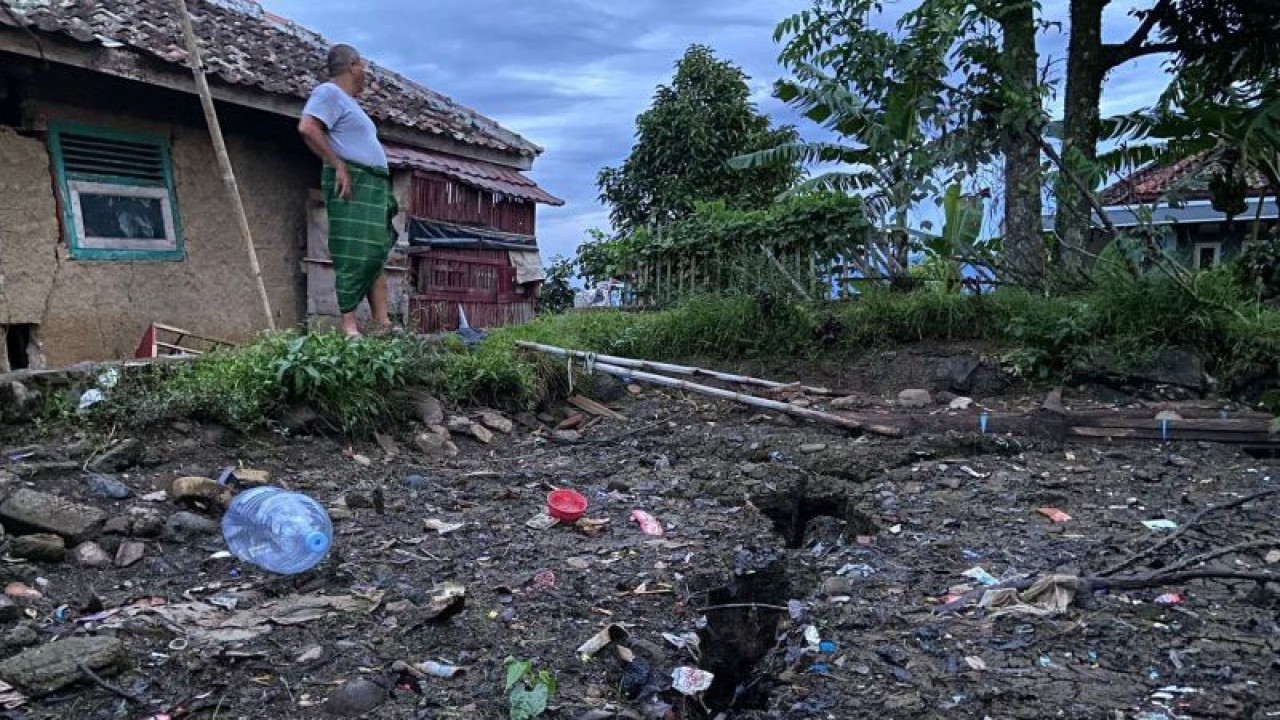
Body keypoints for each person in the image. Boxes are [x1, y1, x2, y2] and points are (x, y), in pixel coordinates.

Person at [298, 44, 399, 337]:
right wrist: (338, 166)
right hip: (353, 182)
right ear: (353, 66)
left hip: (371, 184)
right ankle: (349, 325)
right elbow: (307, 127)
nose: (365, 74)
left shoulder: (350, 103)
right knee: (353, 251)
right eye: (363, 68)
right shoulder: (328, 93)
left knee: (374, 252)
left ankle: (382, 324)